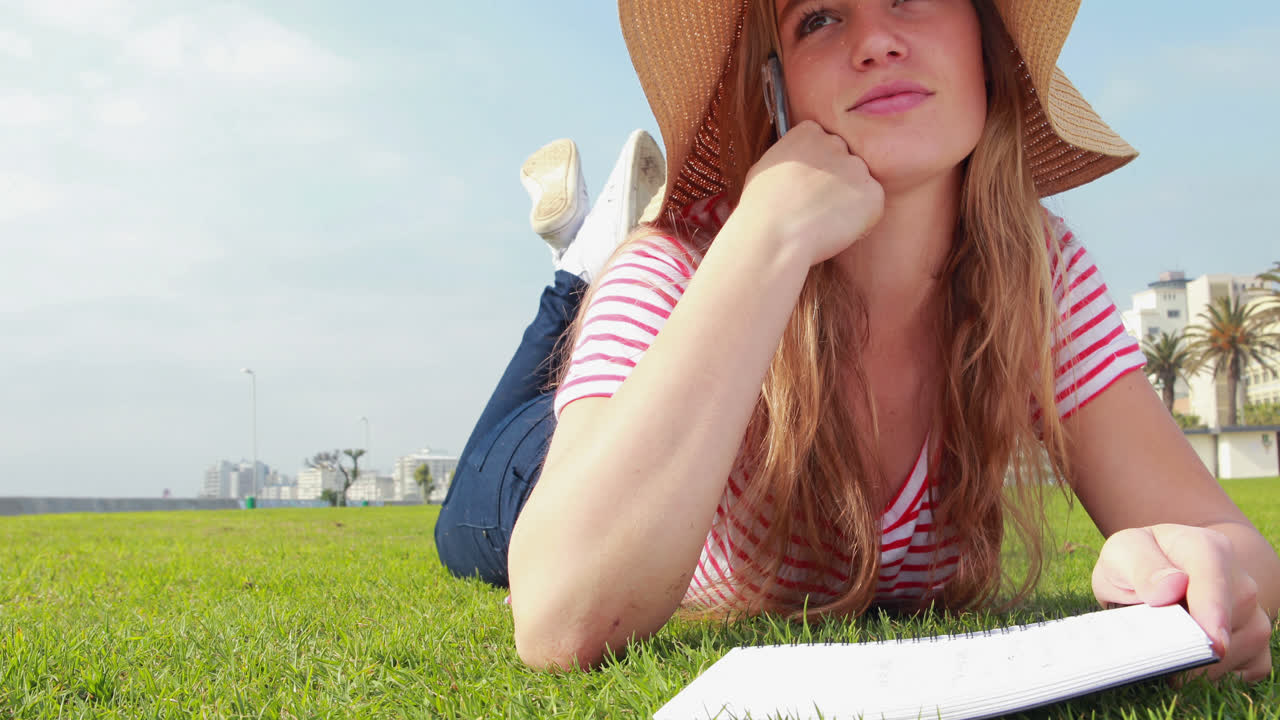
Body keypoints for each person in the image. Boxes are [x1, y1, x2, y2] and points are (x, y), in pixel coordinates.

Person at [461, 0, 1280, 679]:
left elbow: (1241, 554)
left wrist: (1195, 569)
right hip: (547, 465)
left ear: (988, 47)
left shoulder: (1035, 271)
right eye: (818, 16)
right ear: (775, 92)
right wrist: (768, 239)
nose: (877, 40)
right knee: (481, 502)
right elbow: (562, 618)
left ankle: (576, 273)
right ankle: (578, 268)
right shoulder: (683, 267)